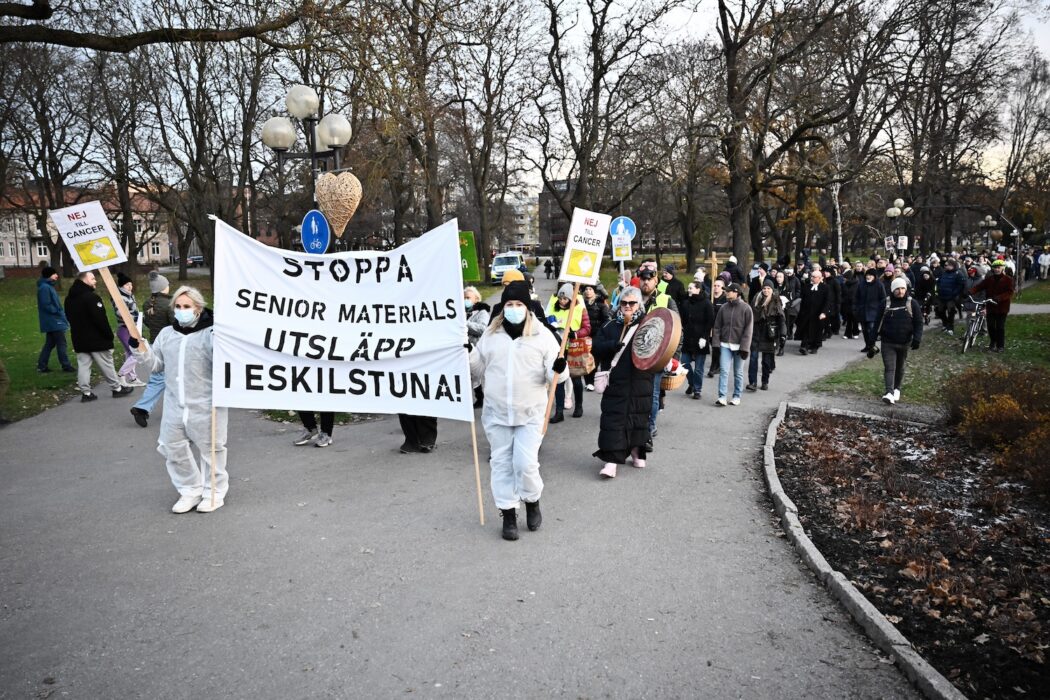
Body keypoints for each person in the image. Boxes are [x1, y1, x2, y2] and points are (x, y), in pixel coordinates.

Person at [469, 280, 567, 540]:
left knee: (525, 464)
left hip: (531, 413)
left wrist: (559, 368)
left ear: (528, 307)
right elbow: (477, 371)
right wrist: (468, 353)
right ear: (503, 308)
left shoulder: (542, 335)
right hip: (497, 413)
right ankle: (508, 514)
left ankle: (532, 501)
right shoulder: (490, 336)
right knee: (501, 465)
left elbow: (556, 374)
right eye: (509, 304)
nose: (514, 308)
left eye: (518, 304)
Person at [130, 286, 227, 512]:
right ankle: (189, 490)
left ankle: (214, 492)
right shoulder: (167, 334)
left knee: (212, 450)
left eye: (187, 307)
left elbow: (226, 364)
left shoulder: (212, 333)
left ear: (198, 308)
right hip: (175, 404)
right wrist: (140, 349)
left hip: (206, 404)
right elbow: (156, 366)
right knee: (172, 448)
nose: (181, 311)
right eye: (178, 307)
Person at [592, 286, 653, 478]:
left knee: (638, 418)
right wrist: (612, 346)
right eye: (624, 302)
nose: (627, 306)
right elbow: (596, 348)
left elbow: (660, 345)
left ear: (639, 305)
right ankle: (611, 461)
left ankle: (636, 450)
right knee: (614, 420)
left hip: (640, 381)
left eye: (632, 303)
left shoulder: (648, 325)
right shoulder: (610, 326)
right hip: (616, 382)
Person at [64, 270, 134, 402]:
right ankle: (117, 388)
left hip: (79, 338)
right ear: (84, 280)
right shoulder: (92, 298)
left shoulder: (69, 299)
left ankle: (86, 392)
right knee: (107, 363)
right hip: (97, 339)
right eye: (92, 278)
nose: (95, 280)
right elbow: (100, 319)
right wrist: (108, 335)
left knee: (84, 365)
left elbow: (69, 317)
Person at [130, 271, 176, 428]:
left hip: (154, 343)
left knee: (158, 377)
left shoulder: (147, 303)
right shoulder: (169, 304)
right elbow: (176, 326)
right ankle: (142, 408)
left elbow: (148, 323)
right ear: (164, 287)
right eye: (167, 285)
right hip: (170, 345)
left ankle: (142, 408)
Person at [545, 283, 590, 421]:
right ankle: (559, 412)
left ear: (571, 298)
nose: (562, 301)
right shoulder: (554, 308)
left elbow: (587, 328)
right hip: (557, 348)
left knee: (575, 378)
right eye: (560, 298)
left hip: (573, 348)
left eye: (565, 299)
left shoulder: (579, 309)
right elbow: (548, 323)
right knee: (558, 380)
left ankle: (579, 406)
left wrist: (575, 334)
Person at [875, 277, 923, 405]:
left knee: (900, 367)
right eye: (897, 289)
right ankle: (889, 392)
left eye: (903, 288)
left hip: (904, 342)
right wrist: (871, 341)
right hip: (887, 342)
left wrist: (917, 339)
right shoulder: (885, 303)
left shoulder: (912, 303)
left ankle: (897, 389)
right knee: (889, 368)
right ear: (892, 290)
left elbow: (918, 322)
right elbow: (876, 322)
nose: (900, 291)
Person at [711, 283, 753, 406]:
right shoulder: (724, 307)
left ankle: (736, 396)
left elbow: (748, 330)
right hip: (725, 345)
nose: (726, 293)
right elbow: (717, 326)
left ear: (736, 292)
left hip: (739, 346)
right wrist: (716, 344)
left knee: (738, 372)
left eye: (729, 291)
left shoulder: (746, 308)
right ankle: (722, 396)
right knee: (724, 371)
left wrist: (745, 347)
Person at [747, 278, 785, 391]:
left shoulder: (776, 300)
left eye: (768, 288)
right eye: (764, 288)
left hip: (769, 333)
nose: (766, 290)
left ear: (772, 290)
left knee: (766, 360)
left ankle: (765, 381)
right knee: (753, 358)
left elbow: (781, 319)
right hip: (756, 332)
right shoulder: (756, 299)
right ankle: (752, 382)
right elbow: (750, 314)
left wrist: (783, 334)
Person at [36, 266, 75, 373]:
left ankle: (41, 366)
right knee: (62, 343)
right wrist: (57, 311)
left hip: (53, 320)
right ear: (49, 275)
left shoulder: (48, 286)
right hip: (54, 320)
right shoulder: (45, 288)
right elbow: (46, 304)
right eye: (54, 274)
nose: (57, 275)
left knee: (49, 344)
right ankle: (66, 365)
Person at [970, 259, 1014, 352]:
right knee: (990, 326)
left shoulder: (1008, 279)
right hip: (990, 306)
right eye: (995, 268)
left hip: (1002, 307)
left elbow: (1010, 292)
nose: (996, 270)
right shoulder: (989, 279)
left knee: (1000, 327)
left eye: (998, 268)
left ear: (1002, 268)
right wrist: (970, 291)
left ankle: (1000, 345)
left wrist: (999, 298)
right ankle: (993, 342)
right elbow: (980, 286)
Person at [679, 281, 714, 399]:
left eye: (691, 288)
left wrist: (705, 337)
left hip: (701, 339)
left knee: (699, 368)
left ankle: (697, 390)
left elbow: (710, 322)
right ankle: (692, 384)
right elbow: (682, 320)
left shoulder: (707, 303)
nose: (689, 290)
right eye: (688, 288)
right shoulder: (685, 303)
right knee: (684, 363)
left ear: (698, 289)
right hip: (688, 338)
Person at [112, 272, 144, 386]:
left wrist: (138, 318)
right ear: (121, 286)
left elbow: (133, 310)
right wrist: (135, 317)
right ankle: (120, 375)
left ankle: (133, 379)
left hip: (132, 328)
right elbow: (120, 312)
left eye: (131, 284)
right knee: (136, 353)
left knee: (130, 354)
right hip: (124, 329)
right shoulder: (119, 298)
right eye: (127, 285)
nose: (130, 286)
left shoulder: (130, 295)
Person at [464, 286, 491, 407]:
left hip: (478, 347)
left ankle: (482, 397)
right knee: (470, 375)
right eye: (464, 297)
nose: (465, 300)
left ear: (476, 298)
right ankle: (478, 396)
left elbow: (483, 329)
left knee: (477, 374)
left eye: (468, 297)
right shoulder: (461, 312)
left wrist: (466, 324)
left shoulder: (482, 312)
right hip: (465, 348)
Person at [581, 284, 610, 390]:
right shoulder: (580, 303)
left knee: (594, 358)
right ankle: (588, 381)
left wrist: (602, 332)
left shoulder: (600, 304)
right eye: (586, 289)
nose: (588, 291)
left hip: (596, 335)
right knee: (585, 357)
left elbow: (606, 319)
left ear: (594, 292)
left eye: (590, 289)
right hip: (584, 335)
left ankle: (592, 381)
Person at [796, 269, 831, 355]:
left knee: (817, 330)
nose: (812, 278)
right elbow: (803, 300)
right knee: (806, 329)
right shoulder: (807, 286)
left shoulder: (825, 288)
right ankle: (804, 346)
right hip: (807, 312)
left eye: (814, 277)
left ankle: (815, 346)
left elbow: (827, 302)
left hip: (819, 313)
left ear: (820, 278)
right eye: (811, 276)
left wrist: (824, 312)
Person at [854, 267, 886, 355]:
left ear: (874, 276)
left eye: (871, 275)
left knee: (871, 330)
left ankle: (872, 346)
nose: (868, 277)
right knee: (864, 330)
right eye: (867, 275)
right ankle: (867, 345)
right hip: (862, 311)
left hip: (873, 311)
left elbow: (883, 299)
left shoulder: (879, 285)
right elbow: (857, 297)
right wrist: (857, 308)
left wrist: (880, 309)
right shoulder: (861, 284)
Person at [935, 258, 967, 336]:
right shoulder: (944, 273)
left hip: (952, 297)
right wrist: (938, 290)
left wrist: (954, 293)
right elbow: (939, 282)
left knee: (951, 313)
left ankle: (950, 328)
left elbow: (961, 285)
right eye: (945, 265)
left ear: (952, 265)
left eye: (947, 265)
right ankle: (945, 324)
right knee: (939, 311)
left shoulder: (958, 273)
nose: (946, 266)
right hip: (942, 296)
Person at [706, 278, 728, 377]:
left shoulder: (725, 299)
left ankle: (713, 367)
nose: (715, 287)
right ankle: (717, 365)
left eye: (718, 286)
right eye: (714, 285)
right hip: (709, 326)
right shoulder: (709, 297)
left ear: (722, 288)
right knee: (713, 346)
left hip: (720, 327)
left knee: (716, 348)